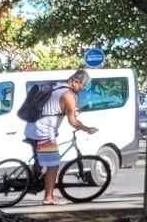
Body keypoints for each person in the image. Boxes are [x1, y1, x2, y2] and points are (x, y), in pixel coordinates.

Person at [25, 69, 96, 204]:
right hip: (43, 132)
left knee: (43, 159)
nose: (82, 89)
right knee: (53, 164)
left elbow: (56, 107)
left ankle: (34, 177)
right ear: (75, 81)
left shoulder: (57, 86)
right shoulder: (68, 95)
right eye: (83, 86)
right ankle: (49, 197)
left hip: (31, 127)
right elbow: (73, 121)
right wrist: (87, 129)